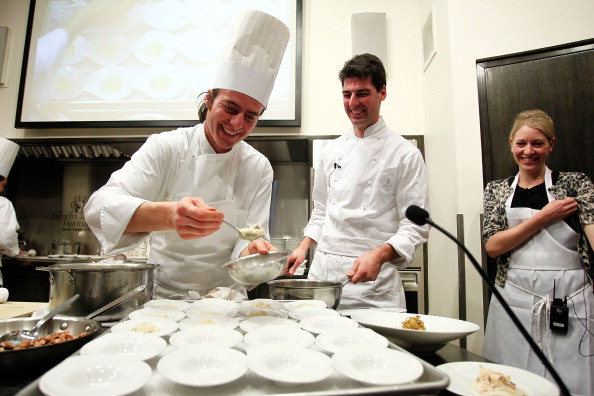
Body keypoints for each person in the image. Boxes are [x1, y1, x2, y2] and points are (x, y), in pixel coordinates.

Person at [84, 9, 290, 300]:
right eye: (230, 108)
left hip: (226, 301)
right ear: (209, 99)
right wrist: (169, 214)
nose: (237, 124)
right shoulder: (167, 147)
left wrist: (254, 250)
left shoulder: (257, 167)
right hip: (164, 301)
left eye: (250, 116)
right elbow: (99, 208)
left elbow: (250, 237)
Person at [285, 54, 430, 309]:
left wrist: (379, 254)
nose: (353, 102)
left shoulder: (405, 154)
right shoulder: (331, 151)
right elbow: (321, 210)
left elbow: (415, 227)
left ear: (382, 92)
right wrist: (303, 246)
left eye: (362, 93)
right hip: (324, 279)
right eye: (346, 94)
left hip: (372, 287)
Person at [482, 109, 594, 396]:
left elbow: (591, 231)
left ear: (551, 145)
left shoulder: (574, 184)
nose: (528, 151)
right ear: (510, 143)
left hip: (572, 299)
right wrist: (543, 217)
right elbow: (493, 247)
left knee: (570, 376)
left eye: (538, 143)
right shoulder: (497, 190)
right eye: (521, 143)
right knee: (507, 379)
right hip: (514, 297)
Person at [0, 138, 26, 302]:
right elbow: (5, 236)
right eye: (2, 183)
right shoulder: (2, 204)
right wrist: (15, 252)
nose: (2, 188)